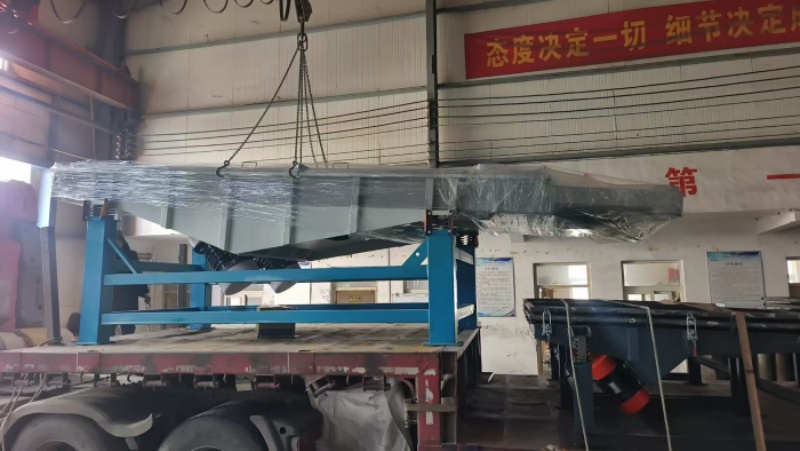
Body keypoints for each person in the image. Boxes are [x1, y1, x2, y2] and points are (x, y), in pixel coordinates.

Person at [113, 232, 150, 335]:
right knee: (109, 326)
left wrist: (144, 293)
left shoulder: (131, 255)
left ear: (122, 241)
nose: (116, 243)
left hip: (129, 294)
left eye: (117, 241)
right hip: (113, 294)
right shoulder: (108, 256)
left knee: (128, 325)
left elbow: (138, 274)